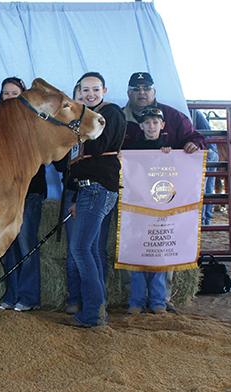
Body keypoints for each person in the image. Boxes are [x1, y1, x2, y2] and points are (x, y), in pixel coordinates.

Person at [62, 72, 126, 327]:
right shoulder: (85, 116)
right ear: (78, 92)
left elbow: (100, 147)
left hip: (98, 188)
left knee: (80, 249)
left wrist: (73, 133)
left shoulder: (110, 113)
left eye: (95, 89)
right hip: (88, 189)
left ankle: (93, 313)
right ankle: (96, 308)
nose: (90, 94)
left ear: (104, 90)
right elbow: (73, 162)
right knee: (90, 249)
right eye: (85, 90)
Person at [0, 77, 45, 312]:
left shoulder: (35, 125)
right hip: (4, 196)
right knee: (8, 246)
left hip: (29, 193)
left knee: (26, 244)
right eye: (6, 93)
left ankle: (28, 296)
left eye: (15, 93)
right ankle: (11, 293)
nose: (10, 97)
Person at [122, 107, 178, 314]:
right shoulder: (132, 149)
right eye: (147, 122)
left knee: (159, 254)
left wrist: (170, 156)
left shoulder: (170, 150)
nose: (151, 126)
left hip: (160, 207)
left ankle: (158, 301)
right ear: (141, 125)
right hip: (137, 208)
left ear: (162, 125)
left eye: (155, 122)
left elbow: (177, 176)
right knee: (137, 252)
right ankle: (137, 300)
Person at [122, 72, 205, 152]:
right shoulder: (118, 117)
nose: (141, 92)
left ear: (154, 92)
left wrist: (194, 144)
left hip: (169, 166)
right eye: (136, 89)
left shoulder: (173, 116)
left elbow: (196, 137)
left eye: (147, 88)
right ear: (129, 93)